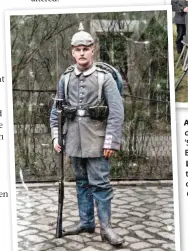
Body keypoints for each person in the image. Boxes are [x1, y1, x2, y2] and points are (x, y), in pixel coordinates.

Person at [50, 23, 124, 246]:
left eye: (86, 48)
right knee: (81, 183)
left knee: (101, 184)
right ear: (72, 52)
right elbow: (57, 110)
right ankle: (86, 222)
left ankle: (106, 229)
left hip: (98, 141)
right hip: (73, 140)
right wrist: (56, 136)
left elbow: (117, 112)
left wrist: (111, 140)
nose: (82, 52)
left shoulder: (105, 78)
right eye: (77, 49)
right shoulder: (65, 79)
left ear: (93, 50)